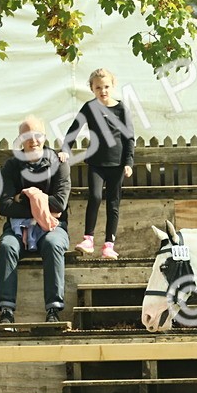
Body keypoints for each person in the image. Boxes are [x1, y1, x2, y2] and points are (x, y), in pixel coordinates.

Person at [0, 117, 71, 324]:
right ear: (21, 139)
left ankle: (54, 311)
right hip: (17, 229)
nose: (33, 141)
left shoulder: (59, 163)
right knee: (6, 246)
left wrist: (27, 196)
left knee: (53, 243)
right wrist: (40, 205)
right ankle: (6, 311)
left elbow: (59, 204)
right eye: (27, 136)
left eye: (37, 135)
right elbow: (4, 206)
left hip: (53, 227)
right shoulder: (11, 166)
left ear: (44, 137)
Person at [61, 68, 134, 260]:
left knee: (113, 203)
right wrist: (65, 149)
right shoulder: (89, 107)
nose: (103, 91)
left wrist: (128, 162)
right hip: (96, 163)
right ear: (92, 89)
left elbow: (129, 138)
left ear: (113, 85)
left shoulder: (121, 109)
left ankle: (109, 245)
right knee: (94, 197)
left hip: (117, 164)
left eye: (106, 87)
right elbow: (73, 130)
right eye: (98, 87)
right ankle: (88, 240)